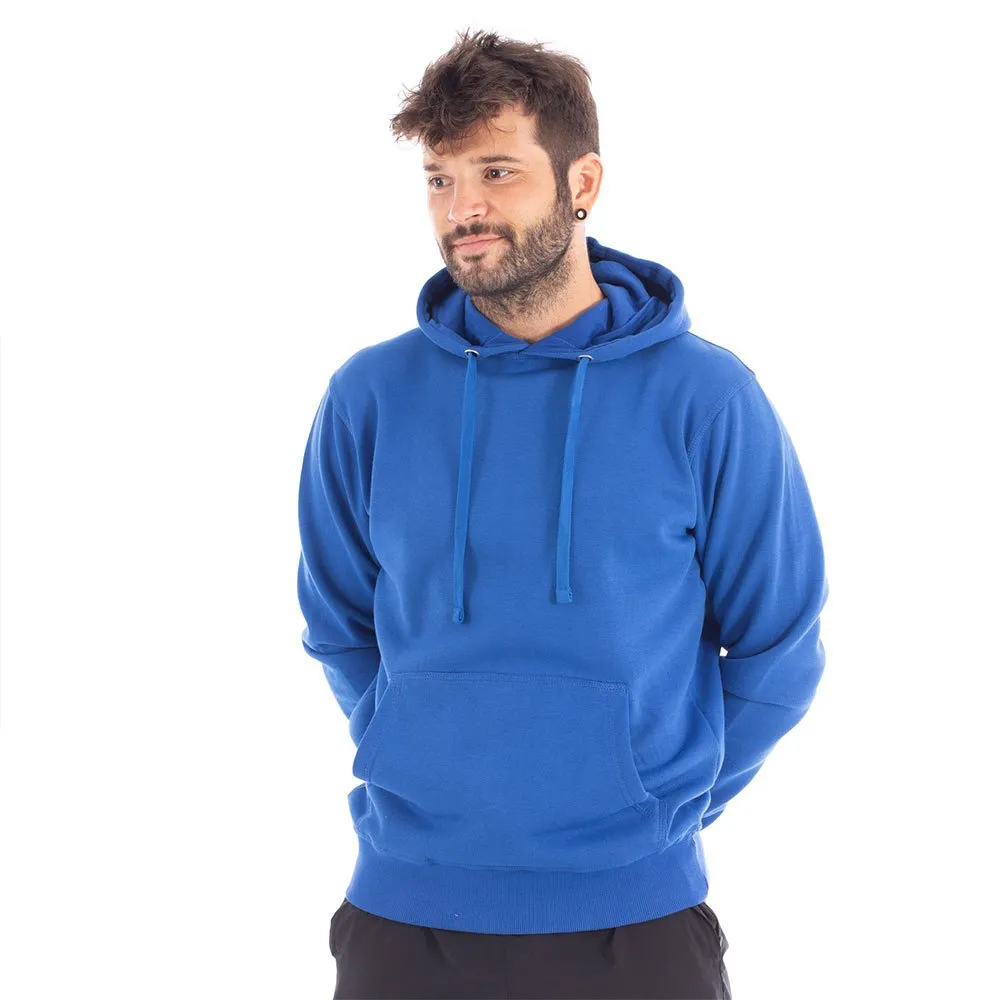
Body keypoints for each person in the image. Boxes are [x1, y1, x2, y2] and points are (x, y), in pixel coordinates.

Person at [296, 27, 828, 1000]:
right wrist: (417, 746)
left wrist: (655, 806)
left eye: (496, 172)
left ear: (583, 183)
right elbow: (337, 623)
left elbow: (780, 649)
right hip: (407, 921)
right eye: (440, 179)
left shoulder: (706, 398)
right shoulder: (368, 396)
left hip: (637, 926)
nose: (462, 209)